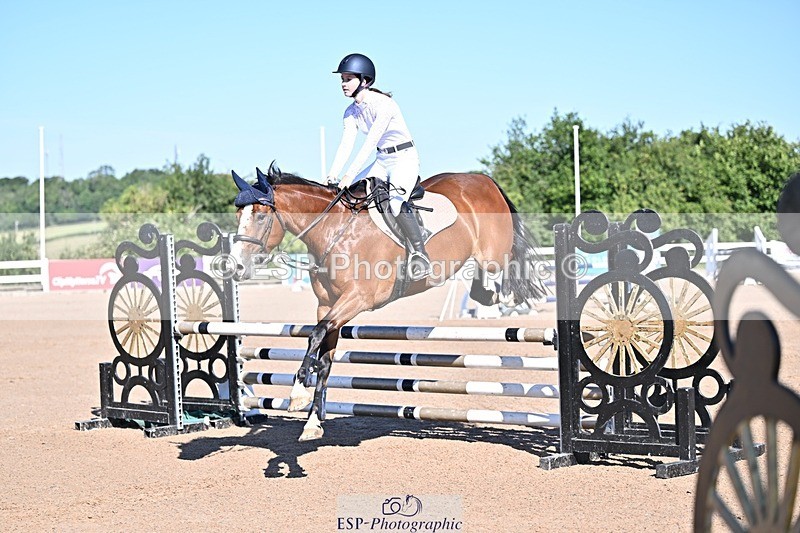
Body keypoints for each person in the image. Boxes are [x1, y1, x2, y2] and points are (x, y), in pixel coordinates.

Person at [326, 53, 431, 281]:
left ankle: (420, 253)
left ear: (364, 80)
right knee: (349, 193)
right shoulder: (350, 112)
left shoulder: (384, 105)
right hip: (382, 160)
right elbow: (346, 144)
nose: (343, 84)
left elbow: (370, 142)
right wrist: (333, 175)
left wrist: (349, 173)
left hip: (404, 157)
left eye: (348, 79)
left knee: (394, 203)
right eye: (342, 79)